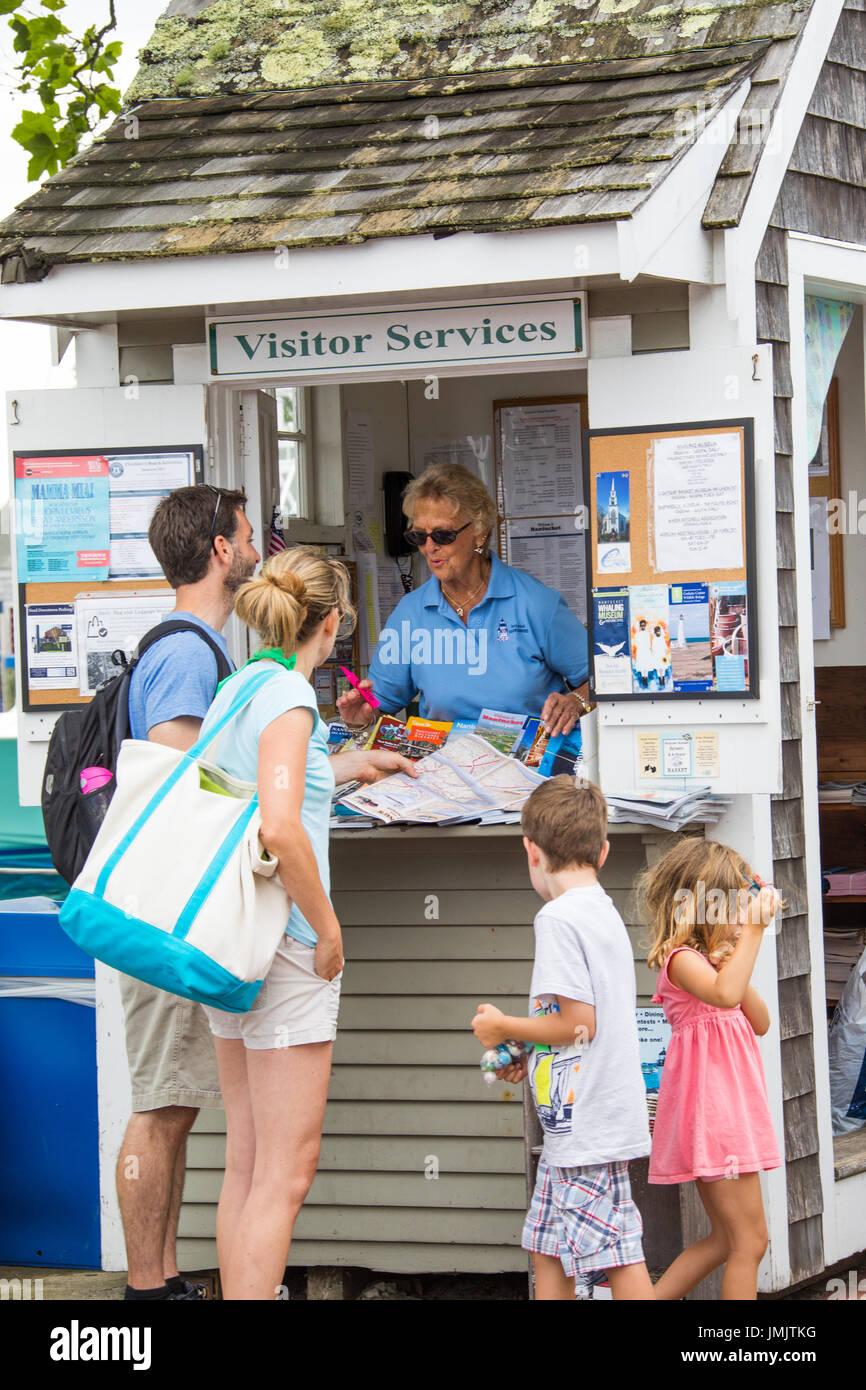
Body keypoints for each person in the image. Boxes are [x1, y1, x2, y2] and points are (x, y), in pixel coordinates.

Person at [196, 547, 417, 1300]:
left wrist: (353, 763)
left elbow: (270, 779)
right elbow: (283, 829)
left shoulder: (240, 687)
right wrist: (328, 929)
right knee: (286, 1176)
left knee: (247, 1163)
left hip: (233, 938)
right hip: (288, 945)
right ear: (330, 625)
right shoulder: (290, 698)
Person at [117, 484, 260, 1302]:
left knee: (173, 1103)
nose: (254, 548)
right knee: (160, 1105)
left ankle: (164, 1280)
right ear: (218, 549)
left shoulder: (201, 647)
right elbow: (184, 777)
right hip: (164, 909)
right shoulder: (186, 653)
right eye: (245, 536)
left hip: (170, 909)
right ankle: (145, 1291)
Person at [471, 777, 653, 1300]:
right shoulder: (599, 909)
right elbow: (577, 1025)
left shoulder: (557, 918)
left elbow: (579, 1022)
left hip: (587, 1127)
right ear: (603, 850)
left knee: (616, 1253)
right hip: (576, 1122)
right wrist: (528, 1053)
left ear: (531, 849)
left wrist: (504, 1026)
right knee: (548, 1245)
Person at [337, 464, 589, 737]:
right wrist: (360, 717)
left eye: (443, 535)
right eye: (419, 536)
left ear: (480, 531)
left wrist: (577, 701)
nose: (430, 547)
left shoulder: (537, 604)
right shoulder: (411, 612)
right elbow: (379, 703)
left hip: (526, 768)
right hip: (442, 767)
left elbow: (604, 680)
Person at [641, 838, 783, 1300]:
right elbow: (722, 997)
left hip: (729, 1119)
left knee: (726, 1240)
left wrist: (735, 952)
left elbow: (759, 1022)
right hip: (716, 1120)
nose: (742, 913)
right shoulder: (681, 960)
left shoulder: (717, 966)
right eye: (733, 904)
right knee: (751, 1241)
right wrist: (756, 934)